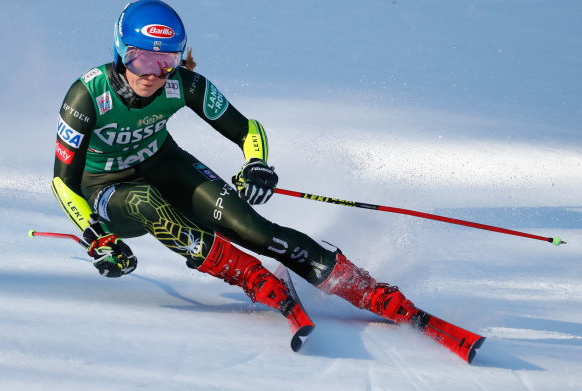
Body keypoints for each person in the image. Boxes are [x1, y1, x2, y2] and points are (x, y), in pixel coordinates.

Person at [52, 0, 422, 336]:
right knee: (144, 201)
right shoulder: (87, 95)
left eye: (166, 62)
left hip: (163, 164)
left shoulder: (183, 84)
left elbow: (246, 129)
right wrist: (95, 235)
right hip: (104, 192)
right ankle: (250, 276)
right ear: (120, 52)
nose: (152, 74)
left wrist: (256, 163)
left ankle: (366, 290)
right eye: (141, 60)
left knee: (253, 228)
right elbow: (62, 182)